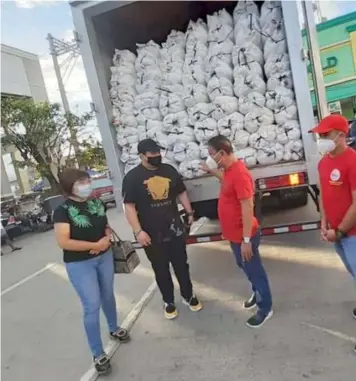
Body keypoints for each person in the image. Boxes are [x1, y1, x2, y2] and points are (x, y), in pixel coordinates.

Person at [53, 168, 130, 375]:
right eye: (81, 181)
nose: (87, 184)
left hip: (103, 257)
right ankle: (97, 353)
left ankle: (114, 328)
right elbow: (63, 241)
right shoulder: (63, 210)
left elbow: (104, 225)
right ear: (70, 185)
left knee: (108, 295)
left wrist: (104, 240)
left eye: (87, 180)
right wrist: (93, 246)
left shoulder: (96, 203)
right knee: (92, 305)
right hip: (80, 264)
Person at [122, 139, 202, 319]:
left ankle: (188, 296)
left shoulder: (169, 170)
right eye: (152, 155)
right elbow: (129, 207)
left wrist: (189, 212)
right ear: (142, 156)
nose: (157, 157)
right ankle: (169, 301)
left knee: (182, 265)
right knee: (161, 269)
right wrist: (138, 231)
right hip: (151, 234)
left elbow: (181, 192)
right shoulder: (132, 178)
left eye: (158, 154)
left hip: (174, 229)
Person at [201, 135, 273, 328]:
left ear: (222, 153)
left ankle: (265, 308)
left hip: (244, 236)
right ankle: (257, 293)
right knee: (245, 267)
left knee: (254, 270)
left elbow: (248, 207)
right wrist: (211, 170)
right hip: (235, 236)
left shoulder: (240, 174)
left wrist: (247, 240)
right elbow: (226, 181)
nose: (209, 157)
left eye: (211, 154)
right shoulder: (230, 171)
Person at [309, 114, 356, 353]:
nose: (320, 139)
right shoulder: (324, 162)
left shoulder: (352, 161)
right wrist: (324, 223)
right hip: (338, 234)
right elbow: (325, 196)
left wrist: (338, 231)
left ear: (339, 136)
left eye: (324, 135)